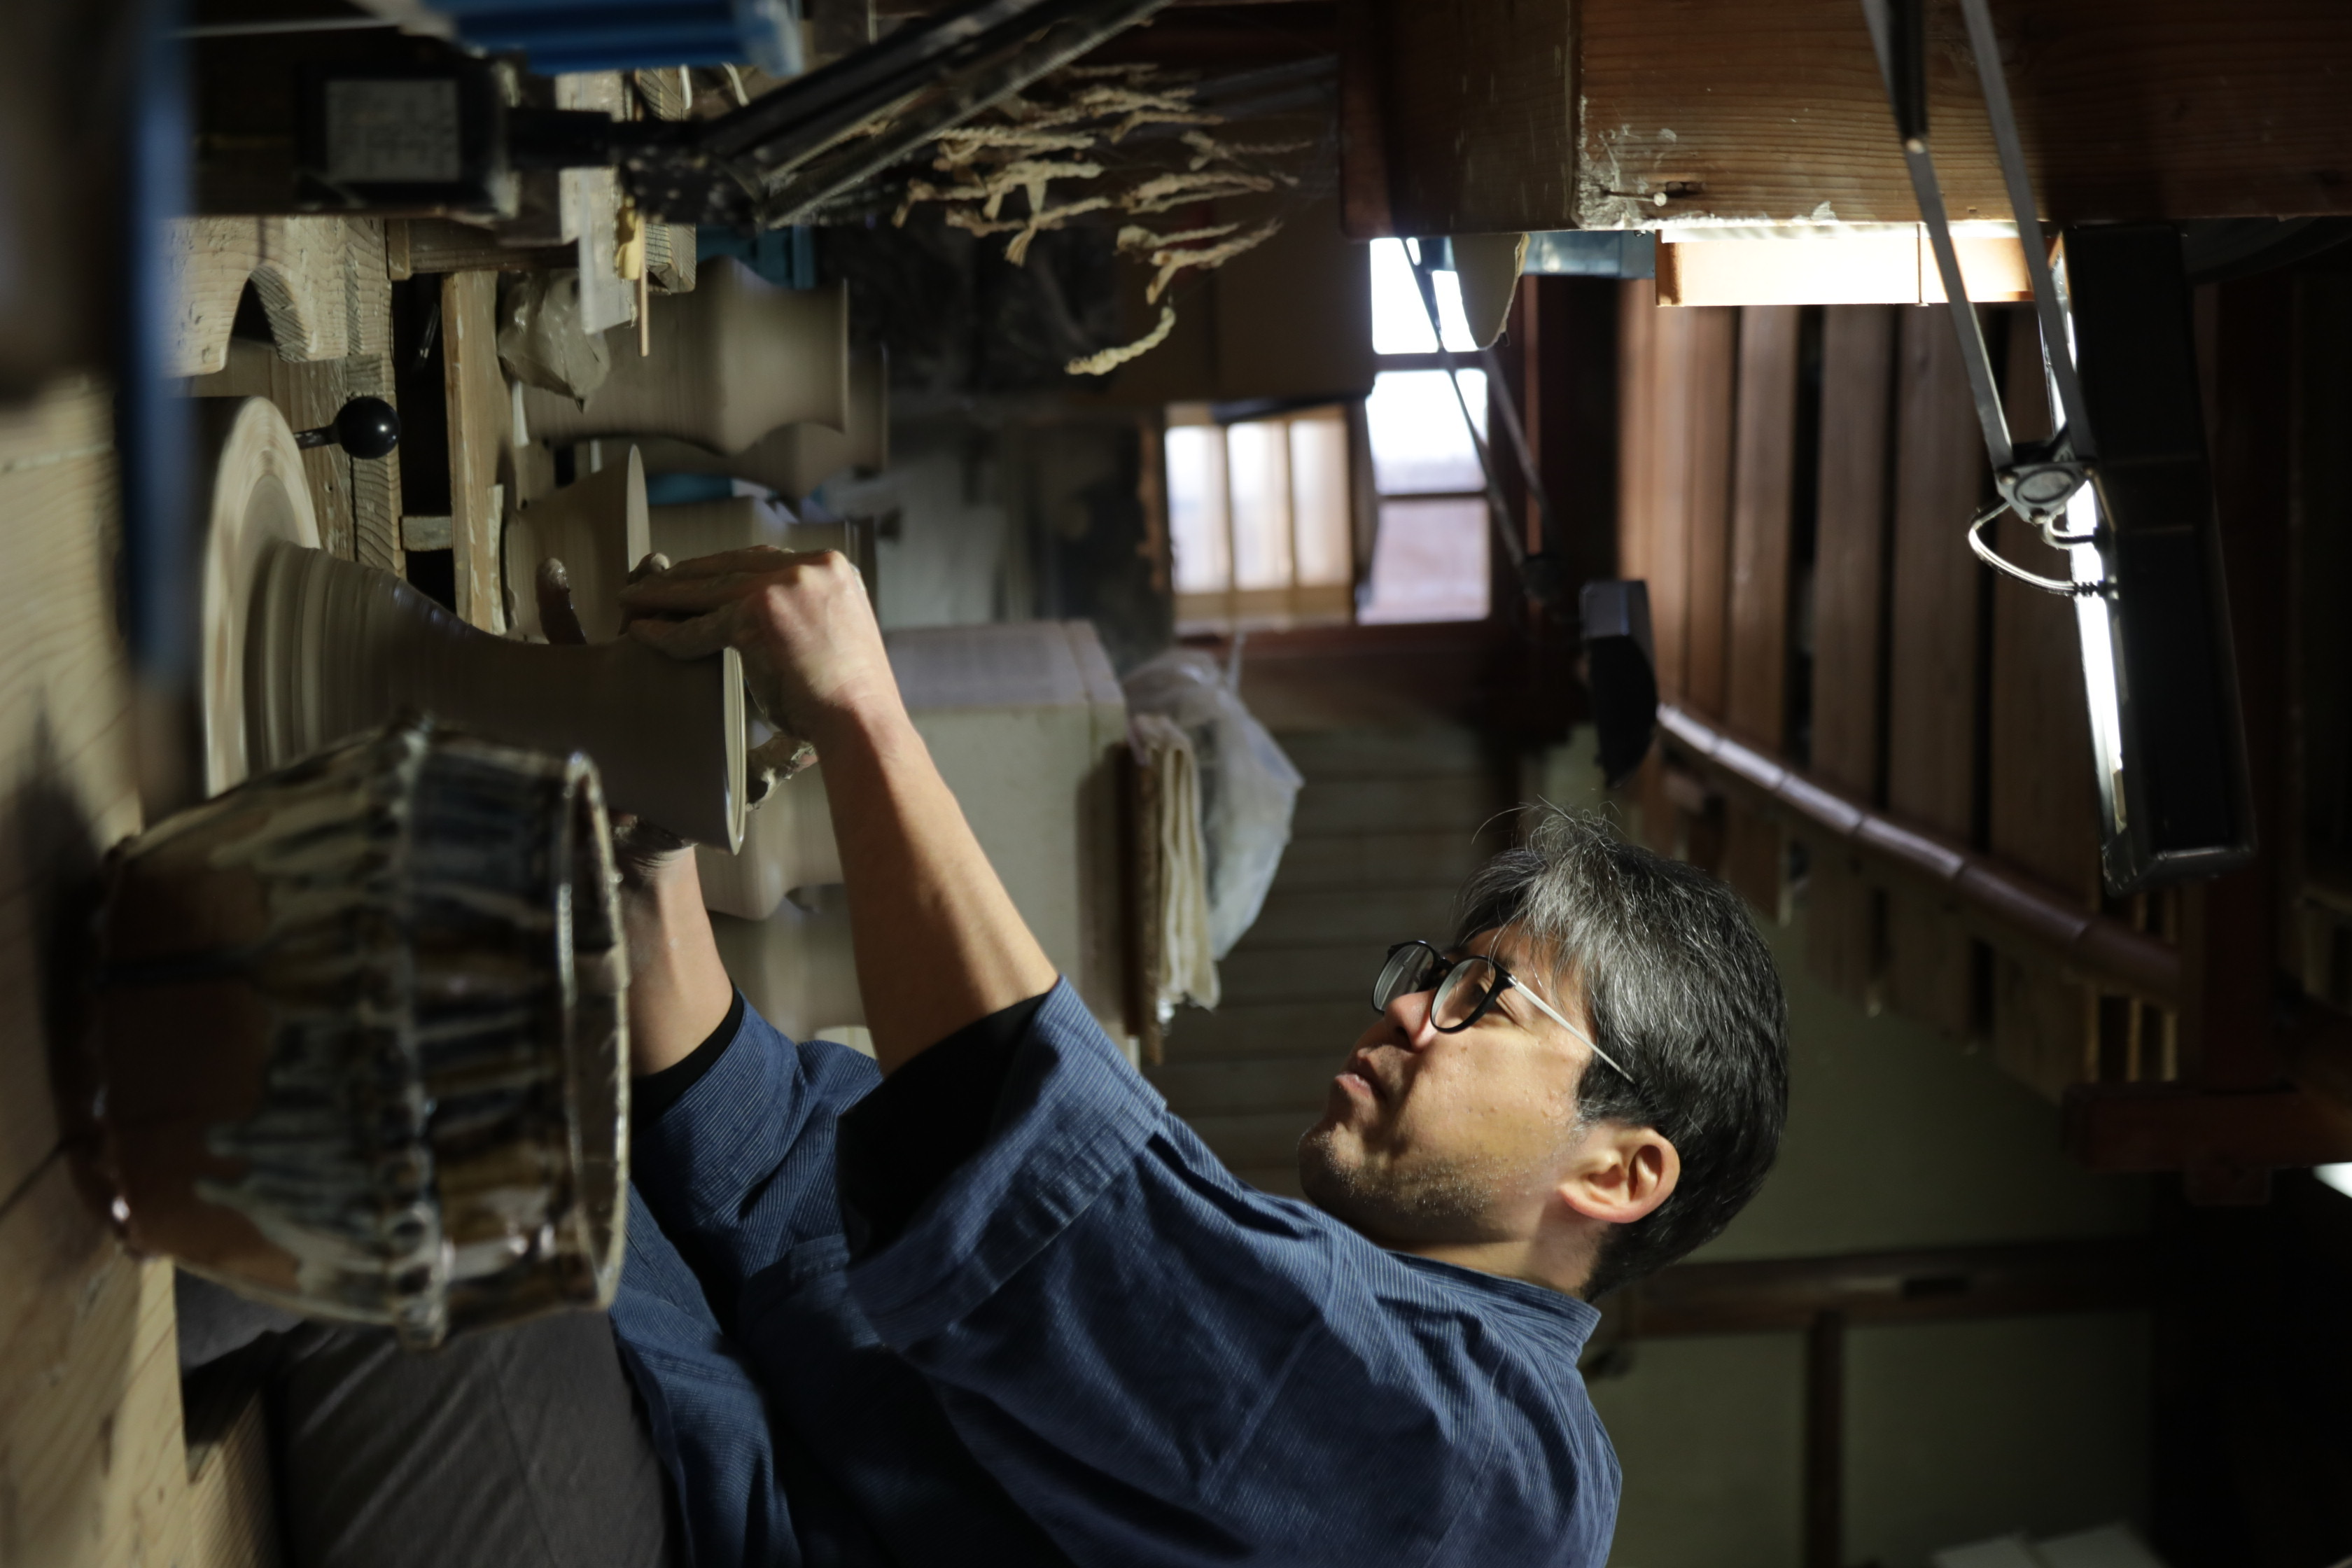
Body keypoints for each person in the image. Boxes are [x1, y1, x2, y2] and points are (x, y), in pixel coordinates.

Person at [217, 547, 1788, 1568]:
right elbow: (810, 1194)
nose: (1406, 1012)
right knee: (458, 946)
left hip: (662, 1534)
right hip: (690, 1438)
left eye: (1482, 1003)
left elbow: (1043, 1197)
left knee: (365, 1082)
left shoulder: (1495, 1492)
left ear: (1620, 1165)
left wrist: (863, 715)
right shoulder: (1353, 1306)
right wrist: (648, 879)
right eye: (1429, 975)